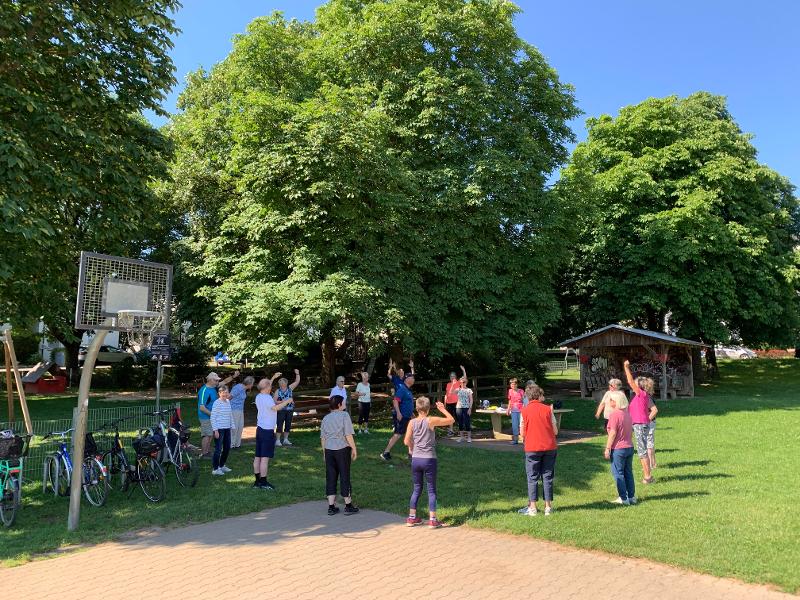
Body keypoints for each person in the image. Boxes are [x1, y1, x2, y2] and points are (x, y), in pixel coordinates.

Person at [404, 396, 454, 528]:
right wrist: (443, 409)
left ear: (417, 408)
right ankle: (432, 520)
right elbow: (451, 420)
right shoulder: (431, 420)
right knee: (431, 490)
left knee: (416, 489)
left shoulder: (412, 422)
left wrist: (411, 448)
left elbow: (406, 441)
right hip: (429, 458)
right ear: (428, 408)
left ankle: (411, 518)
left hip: (416, 459)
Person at [517, 384, 558, 516]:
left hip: (532, 447)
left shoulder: (524, 410)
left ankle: (533, 507)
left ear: (528, 397)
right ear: (538, 394)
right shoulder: (548, 409)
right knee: (547, 476)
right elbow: (555, 430)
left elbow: (522, 432)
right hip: (549, 446)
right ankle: (548, 507)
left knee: (532, 477)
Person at [252, 374, 293, 490]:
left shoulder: (259, 396)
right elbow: (275, 408)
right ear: (267, 387)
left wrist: (273, 377)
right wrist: (287, 401)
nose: (272, 386)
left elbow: (272, 404)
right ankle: (263, 483)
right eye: (270, 385)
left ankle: (257, 482)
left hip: (259, 429)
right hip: (267, 431)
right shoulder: (267, 398)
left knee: (257, 457)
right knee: (264, 458)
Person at [320, 395, 359, 515]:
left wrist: (324, 453)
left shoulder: (326, 418)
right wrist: (354, 448)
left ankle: (331, 507)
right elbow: (348, 434)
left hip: (329, 450)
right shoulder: (344, 415)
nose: (345, 404)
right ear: (338, 405)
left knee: (331, 477)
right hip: (342, 450)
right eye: (343, 403)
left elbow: (323, 438)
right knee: (344, 475)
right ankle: (348, 505)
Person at [623, 360, 658, 483]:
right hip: (642, 424)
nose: (633, 385)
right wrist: (646, 420)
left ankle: (648, 477)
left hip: (639, 425)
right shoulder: (645, 395)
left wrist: (626, 367)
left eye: (636, 384)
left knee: (642, 451)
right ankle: (648, 476)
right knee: (641, 450)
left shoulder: (639, 393)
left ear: (639, 386)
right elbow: (654, 410)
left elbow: (630, 381)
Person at [197, 370, 239, 458]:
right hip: (206, 416)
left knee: (211, 434)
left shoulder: (214, 386)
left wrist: (234, 376)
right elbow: (202, 407)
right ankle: (204, 453)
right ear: (210, 380)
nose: (217, 382)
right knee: (207, 435)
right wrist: (213, 415)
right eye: (215, 380)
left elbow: (225, 381)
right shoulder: (204, 390)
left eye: (217, 380)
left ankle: (207, 451)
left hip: (212, 415)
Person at [604, 391, 636, 505]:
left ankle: (623, 498)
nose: (609, 402)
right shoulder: (627, 414)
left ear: (616, 401)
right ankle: (632, 496)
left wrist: (608, 448)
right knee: (628, 472)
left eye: (611, 400)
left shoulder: (614, 415)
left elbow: (612, 433)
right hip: (629, 446)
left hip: (618, 449)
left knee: (618, 473)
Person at [380, 370, 415, 461]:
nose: (413, 379)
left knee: (410, 434)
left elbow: (407, 403)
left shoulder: (408, 390)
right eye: (412, 377)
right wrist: (399, 413)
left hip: (408, 416)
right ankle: (385, 452)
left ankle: (411, 454)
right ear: (406, 379)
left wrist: (412, 414)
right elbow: (395, 401)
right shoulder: (402, 389)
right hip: (402, 416)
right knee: (398, 434)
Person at [210, 385, 233, 475]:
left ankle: (222, 465)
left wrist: (232, 426)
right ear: (219, 394)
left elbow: (230, 415)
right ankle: (215, 469)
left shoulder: (228, 402)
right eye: (223, 393)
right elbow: (213, 417)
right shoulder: (217, 403)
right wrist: (215, 430)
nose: (225, 394)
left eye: (226, 392)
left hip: (227, 428)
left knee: (227, 448)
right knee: (218, 449)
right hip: (219, 429)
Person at [275, 369, 301, 447]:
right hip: (281, 410)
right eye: (280, 383)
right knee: (279, 425)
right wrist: (283, 401)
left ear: (286, 383)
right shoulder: (278, 391)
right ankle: (278, 440)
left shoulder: (290, 388)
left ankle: (286, 439)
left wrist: (297, 373)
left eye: (283, 383)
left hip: (290, 410)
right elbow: (275, 401)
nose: (281, 384)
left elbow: (297, 381)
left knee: (288, 425)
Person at [229, 376, 254, 449]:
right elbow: (229, 397)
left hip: (240, 410)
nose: (252, 385)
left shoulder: (244, 389)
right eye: (252, 384)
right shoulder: (238, 387)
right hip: (234, 410)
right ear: (249, 383)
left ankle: (237, 444)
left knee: (240, 427)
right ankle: (231, 444)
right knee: (234, 427)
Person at [444, 366, 466, 436]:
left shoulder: (458, 382)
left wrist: (463, 370)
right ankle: (451, 431)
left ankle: (461, 431)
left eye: (453, 376)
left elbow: (464, 378)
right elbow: (446, 394)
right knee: (450, 417)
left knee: (458, 416)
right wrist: (445, 403)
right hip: (448, 403)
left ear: (456, 377)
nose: (452, 377)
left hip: (456, 403)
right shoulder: (448, 384)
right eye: (451, 376)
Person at [506, 378, 525, 445]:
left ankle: (524, 440)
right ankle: (515, 440)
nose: (513, 386)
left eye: (514, 384)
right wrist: (508, 409)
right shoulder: (510, 391)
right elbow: (510, 400)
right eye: (511, 384)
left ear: (517, 384)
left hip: (521, 410)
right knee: (514, 425)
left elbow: (524, 401)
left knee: (522, 425)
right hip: (513, 410)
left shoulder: (521, 391)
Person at [455, 376, 473, 443]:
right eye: (462, 382)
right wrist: (456, 383)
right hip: (458, 408)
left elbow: (471, 400)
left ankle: (469, 437)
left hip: (466, 408)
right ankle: (461, 437)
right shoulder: (458, 390)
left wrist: (470, 408)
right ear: (460, 383)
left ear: (466, 382)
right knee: (460, 423)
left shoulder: (469, 390)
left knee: (467, 422)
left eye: (464, 382)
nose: (463, 383)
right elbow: (450, 392)